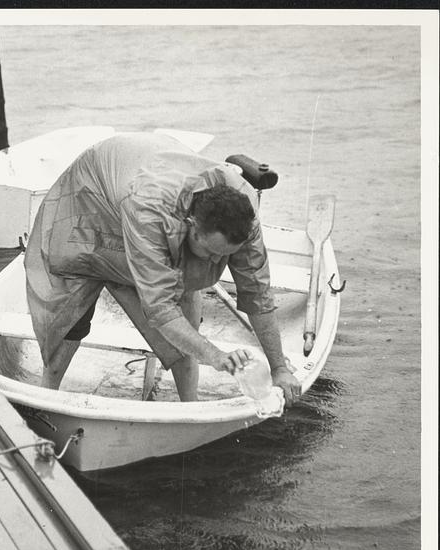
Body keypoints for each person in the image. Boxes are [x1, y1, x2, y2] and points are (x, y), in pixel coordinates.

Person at [24, 131, 301, 406]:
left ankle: (189, 405)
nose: (214, 263)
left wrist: (279, 369)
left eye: (224, 257)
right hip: (91, 200)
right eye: (210, 252)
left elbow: (257, 294)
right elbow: (159, 308)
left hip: (150, 174)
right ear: (191, 224)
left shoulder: (244, 213)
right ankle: (47, 395)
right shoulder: (148, 210)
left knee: (186, 298)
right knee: (71, 308)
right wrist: (215, 355)